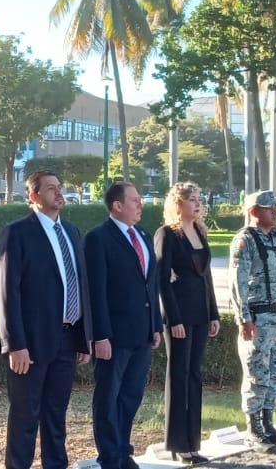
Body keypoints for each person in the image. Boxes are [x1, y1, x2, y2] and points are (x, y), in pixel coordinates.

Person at [0, 170, 91, 469]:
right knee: (25, 418)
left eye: (59, 187)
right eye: (51, 188)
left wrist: (83, 336)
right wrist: (15, 345)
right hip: (31, 345)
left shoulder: (72, 232)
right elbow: (6, 291)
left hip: (66, 339)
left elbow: (80, 284)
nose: (58, 192)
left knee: (56, 416)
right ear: (34, 196)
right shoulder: (18, 232)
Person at [84, 181, 163, 469]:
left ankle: (122, 450)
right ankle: (109, 456)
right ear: (117, 205)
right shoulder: (98, 238)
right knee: (108, 397)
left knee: (130, 396)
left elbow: (150, 285)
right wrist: (100, 335)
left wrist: (155, 324)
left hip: (141, 334)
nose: (140, 205)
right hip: (113, 336)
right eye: (135, 200)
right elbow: (96, 291)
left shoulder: (142, 235)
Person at [153, 182, 220, 465]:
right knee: (179, 375)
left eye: (198, 198)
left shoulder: (200, 232)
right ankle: (178, 444)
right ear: (177, 204)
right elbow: (161, 280)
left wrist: (214, 313)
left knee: (195, 375)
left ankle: (193, 443)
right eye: (190, 199)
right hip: (179, 316)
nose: (197, 203)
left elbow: (207, 277)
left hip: (201, 315)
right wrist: (173, 319)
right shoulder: (167, 234)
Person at [229, 191, 276, 452]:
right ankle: (253, 429)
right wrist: (243, 318)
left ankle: (268, 425)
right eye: (270, 209)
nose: (275, 213)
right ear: (254, 211)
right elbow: (237, 283)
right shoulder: (245, 241)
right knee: (257, 374)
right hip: (258, 319)